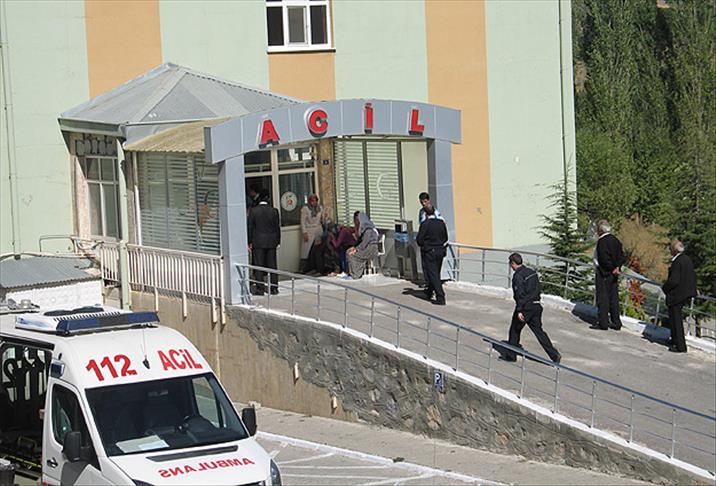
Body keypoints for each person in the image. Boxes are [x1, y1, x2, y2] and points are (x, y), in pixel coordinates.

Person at [503, 253, 561, 363]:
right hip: (536, 305)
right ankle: (554, 354)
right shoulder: (532, 272)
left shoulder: (518, 276)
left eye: (510, 264)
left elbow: (520, 294)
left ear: (513, 263)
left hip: (526, 308)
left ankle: (511, 355)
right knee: (539, 332)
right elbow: (537, 289)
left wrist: (519, 310)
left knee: (514, 330)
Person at [662, 240, 697, 353]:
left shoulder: (677, 262)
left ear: (674, 250)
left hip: (677, 294)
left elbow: (674, 280)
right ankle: (674, 340)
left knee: (676, 319)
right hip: (685, 293)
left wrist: (665, 288)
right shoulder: (687, 259)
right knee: (674, 318)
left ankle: (680, 345)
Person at [592, 219, 626, 331]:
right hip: (614, 273)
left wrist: (611, 268)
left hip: (604, 273)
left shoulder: (602, 242)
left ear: (600, 230)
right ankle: (616, 322)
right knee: (613, 298)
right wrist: (617, 267)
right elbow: (622, 256)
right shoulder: (615, 240)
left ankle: (603, 322)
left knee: (603, 298)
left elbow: (603, 259)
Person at [247, 190, 280, 295]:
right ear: (268, 199)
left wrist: (249, 241)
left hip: (258, 241)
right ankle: (274, 288)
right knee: (272, 265)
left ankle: (260, 289)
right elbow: (277, 228)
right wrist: (278, 241)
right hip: (271, 241)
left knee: (258, 265)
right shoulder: (274, 211)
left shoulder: (253, 211)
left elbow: (250, 227)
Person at [416, 205, 448, 305]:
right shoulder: (441, 223)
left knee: (433, 274)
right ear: (434, 212)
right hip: (440, 250)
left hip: (430, 251)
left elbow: (419, 240)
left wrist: (426, 245)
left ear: (425, 214)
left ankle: (440, 296)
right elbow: (445, 237)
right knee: (435, 272)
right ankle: (429, 291)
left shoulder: (425, 224)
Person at [347, 212, 380, 280]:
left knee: (352, 255)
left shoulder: (369, 230)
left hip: (370, 249)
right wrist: (354, 248)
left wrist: (356, 250)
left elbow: (364, 243)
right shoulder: (364, 229)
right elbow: (359, 241)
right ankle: (351, 273)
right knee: (348, 251)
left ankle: (356, 274)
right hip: (366, 248)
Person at [300, 194, 324, 273]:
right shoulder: (305, 209)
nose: (314, 202)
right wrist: (304, 232)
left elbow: (322, 219)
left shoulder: (320, 208)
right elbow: (302, 222)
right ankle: (303, 268)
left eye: (315, 201)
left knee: (317, 250)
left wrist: (323, 219)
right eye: (312, 201)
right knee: (306, 251)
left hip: (318, 230)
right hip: (309, 230)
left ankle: (317, 268)